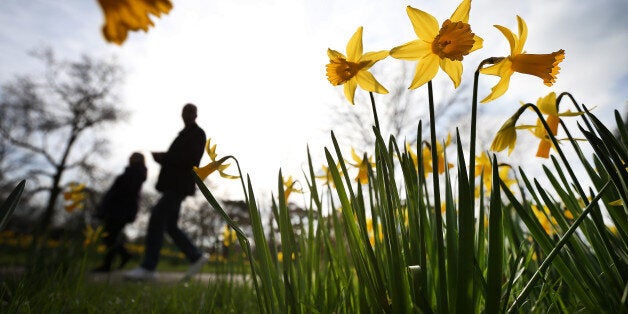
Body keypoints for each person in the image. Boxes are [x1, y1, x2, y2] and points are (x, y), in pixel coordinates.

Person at [124, 103, 209, 281]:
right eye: (184, 111)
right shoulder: (183, 134)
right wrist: (164, 158)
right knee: (170, 225)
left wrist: (164, 157)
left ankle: (148, 267)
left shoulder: (197, 134)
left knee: (157, 216)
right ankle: (195, 255)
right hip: (173, 184)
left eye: (190, 111)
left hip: (180, 185)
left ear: (195, 115)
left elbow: (191, 159)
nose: (186, 114)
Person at [92, 152, 147, 272]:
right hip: (117, 209)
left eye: (133, 158)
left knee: (111, 236)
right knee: (111, 236)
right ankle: (124, 255)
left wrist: (107, 207)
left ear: (138, 160)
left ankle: (108, 264)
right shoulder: (132, 172)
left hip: (120, 210)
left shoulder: (135, 173)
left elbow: (124, 192)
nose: (130, 159)